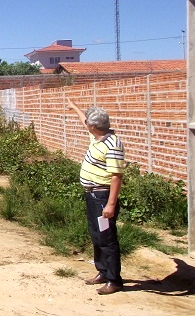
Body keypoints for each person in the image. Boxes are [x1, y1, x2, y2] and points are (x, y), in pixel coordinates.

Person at [66, 98, 125, 295]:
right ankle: (103, 272)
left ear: (94, 127)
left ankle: (114, 280)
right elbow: (84, 119)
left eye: (89, 124)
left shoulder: (112, 145)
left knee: (107, 238)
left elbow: (116, 177)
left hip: (102, 197)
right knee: (96, 235)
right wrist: (74, 107)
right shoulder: (97, 136)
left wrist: (110, 204)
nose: (87, 125)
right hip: (92, 196)